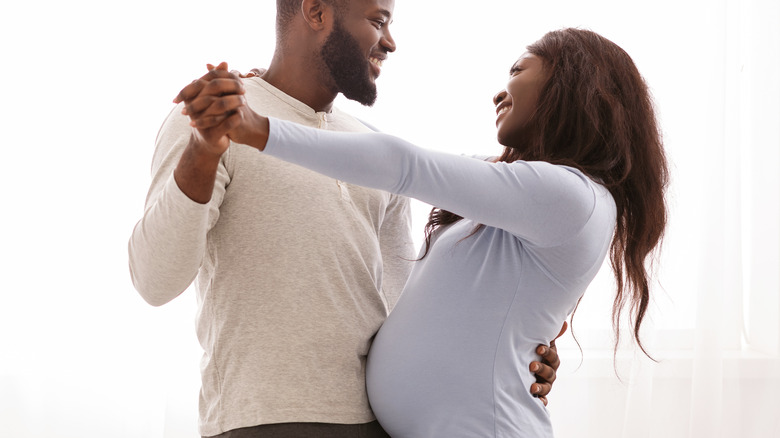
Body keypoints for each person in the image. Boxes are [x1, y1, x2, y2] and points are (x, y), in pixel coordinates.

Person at [175, 27, 669, 437]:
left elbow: (403, 165)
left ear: (575, 87)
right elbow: (408, 163)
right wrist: (274, 93)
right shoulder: (517, 196)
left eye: (518, 70)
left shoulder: (570, 196)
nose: (500, 90)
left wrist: (257, 125)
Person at [129, 1, 561, 437]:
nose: (390, 42)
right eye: (378, 20)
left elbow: (402, 307)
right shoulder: (216, 120)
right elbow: (154, 280)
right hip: (265, 418)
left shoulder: (370, 149)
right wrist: (203, 151)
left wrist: (512, 357)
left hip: (376, 422)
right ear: (317, 12)